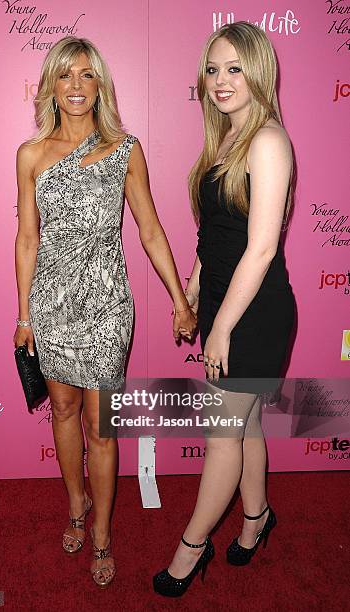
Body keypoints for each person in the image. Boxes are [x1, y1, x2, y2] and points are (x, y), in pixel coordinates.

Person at [13, 36, 196, 588]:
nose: (75, 86)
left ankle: (102, 536)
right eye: (65, 75)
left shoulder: (125, 148)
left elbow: (149, 228)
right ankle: (76, 506)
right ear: (50, 85)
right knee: (62, 412)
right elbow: (27, 238)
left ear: (100, 86)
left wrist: (180, 300)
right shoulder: (31, 154)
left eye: (86, 75)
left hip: (107, 305)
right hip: (51, 303)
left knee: (101, 426)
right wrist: (24, 315)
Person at [153, 21, 295, 597]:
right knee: (247, 422)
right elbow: (217, 233)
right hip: (223, 299)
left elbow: (260, 248)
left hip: (253, 312)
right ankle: (257, 518)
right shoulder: (226, 140)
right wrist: (191, 288)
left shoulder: (267, 141)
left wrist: (222, 329)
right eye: (212, 69)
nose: (220, 80)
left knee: (220, 437)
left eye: (234, 67)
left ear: (258, 70)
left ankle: (192, 547)